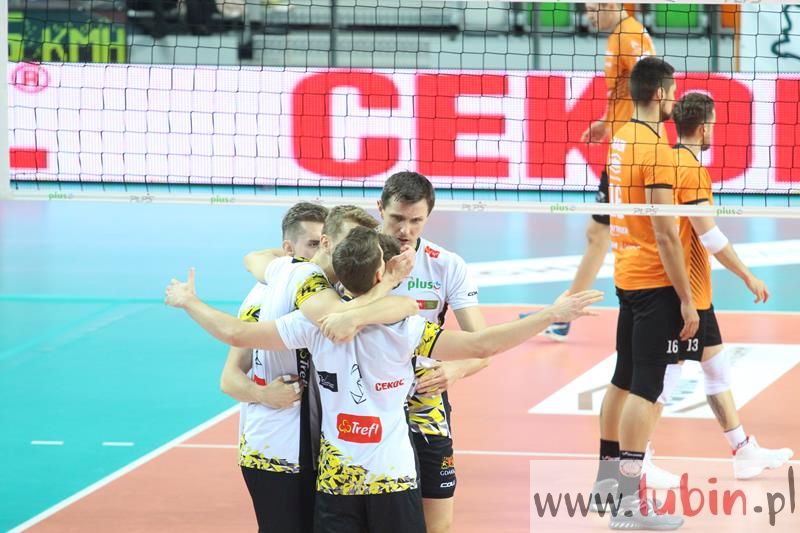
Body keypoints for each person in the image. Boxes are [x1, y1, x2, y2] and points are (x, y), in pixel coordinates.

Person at [164, 226, 604, 533]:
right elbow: (482, 345)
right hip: (392, 478)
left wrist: (189, 302)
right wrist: (551, 314)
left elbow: (235, 333)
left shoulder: (311, 326)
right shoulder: (405, 328)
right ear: (384, 273)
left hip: (336, 481)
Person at [214, 204, 415, 533]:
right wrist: (262, 394)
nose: (359, 247)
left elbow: (394, 307)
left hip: (317, 449)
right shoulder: (291, 284)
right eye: (351, 238)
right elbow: (229, 377)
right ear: (326, 242)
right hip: (275, 451)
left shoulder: (334, 290)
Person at [661, 92, 793, 479]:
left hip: (691, 291)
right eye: (714, 125)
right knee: (664, 379)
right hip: (685, 293)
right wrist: (748, 275)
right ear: (704, 128)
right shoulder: (691, 170)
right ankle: (637, 457)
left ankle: (743, 449)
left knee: (715, 367)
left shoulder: (667, 160)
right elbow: (711, 237)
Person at [592, 56, 693, 530]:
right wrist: (687, 297)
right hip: (654, 280)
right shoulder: (657, 148)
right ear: (659, 94)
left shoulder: (621, 137)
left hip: (626, 274)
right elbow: (666, 232)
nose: (675, 99)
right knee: (646, 391)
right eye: (673, 91)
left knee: (623, 379)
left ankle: (607, 486)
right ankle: (628, 504)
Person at [521, 2, 656, 342]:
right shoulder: (617, 35)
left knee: (646, 234)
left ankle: (675, 311)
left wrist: (637, 138)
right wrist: (606, 122)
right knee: (602, 233)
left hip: (631, 153)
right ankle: (564, 315)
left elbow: (655, 86)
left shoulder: (629, 35)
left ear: (612, 5)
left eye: (594, 9)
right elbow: (626, 93)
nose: (588, 16)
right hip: (623, 148)